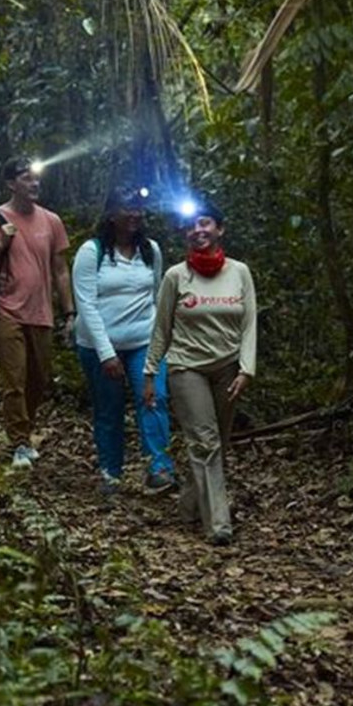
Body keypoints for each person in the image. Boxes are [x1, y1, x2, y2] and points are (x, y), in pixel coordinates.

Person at [143, 203, 256, 544]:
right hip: (186, 368)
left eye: (204, 222)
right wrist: (150, 373)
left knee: (217, 442)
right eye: (190, 226)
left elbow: (250, 324)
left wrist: (247, 369)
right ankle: (218, 524)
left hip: (228, 369)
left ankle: (189, 506)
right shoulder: (176, 276)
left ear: (219, 229)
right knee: (205, 443)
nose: (197, 229)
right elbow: (161, 329)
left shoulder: (240, 272)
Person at [0, 159, 72, 467]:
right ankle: (19, 442)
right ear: (11, 184)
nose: (34, 184)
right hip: (5, 311)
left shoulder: (51, 221)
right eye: (26, 178)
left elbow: (61, 269)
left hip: (41, 313)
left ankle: (26, 428)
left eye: (36, 179)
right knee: (15, 379)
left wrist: (70, 311)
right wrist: (0, 246)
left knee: (39, 379)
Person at [72, 187, 176, 495]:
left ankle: (159, 468)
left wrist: (160, 343)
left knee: (153, 399)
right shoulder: (92, 252)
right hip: (98, 346)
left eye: (139, 208)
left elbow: (157, 296)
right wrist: (106, 353)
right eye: (127, 208)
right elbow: (86, 304)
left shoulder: (151, 250)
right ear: (112, 214)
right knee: (109, 408)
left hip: (143, 341)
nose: (135, 214)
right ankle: (111, 472)